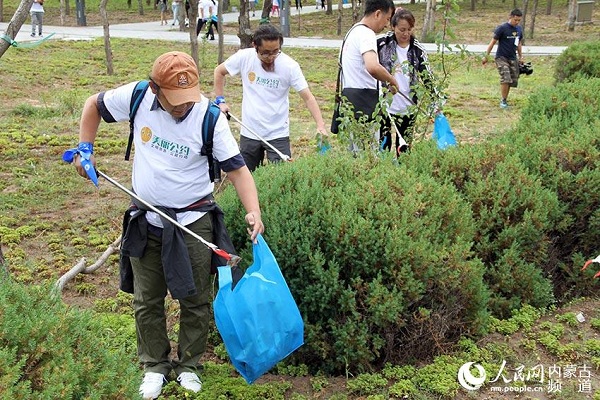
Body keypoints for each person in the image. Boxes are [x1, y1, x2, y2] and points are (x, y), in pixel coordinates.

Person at [70, 51, 264, 399]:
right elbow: (92, 105)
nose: (182, 107)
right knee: (147, 298)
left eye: (187, 99)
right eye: (174, 100)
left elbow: (237, 170)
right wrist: (86, 147)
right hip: (146, 220)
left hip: (193, 222)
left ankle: (189, 365)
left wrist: (254, 211)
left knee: (195, 299)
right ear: (155, 89)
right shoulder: (137, 96)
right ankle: (154, 365)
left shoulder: (209, 116)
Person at [213, 24, 328, 172]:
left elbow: (308, 97)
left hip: (277, 133)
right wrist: (220, 100)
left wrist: (320, 125)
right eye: (265, 53)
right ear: (255, 46)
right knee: (246, 176)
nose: (271, 57)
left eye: (275, 52)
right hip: (250, 131)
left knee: (281, 178)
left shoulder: (289, 66)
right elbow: (219, 71)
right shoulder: (244, 57)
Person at [333, 0, 398, 145]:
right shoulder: (366, 34)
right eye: (387, 19)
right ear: (378, 14)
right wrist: (391, 80)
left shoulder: (352, 32)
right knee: (367, 157)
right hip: (365, 106)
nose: (387, 25)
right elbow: (372, 66)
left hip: (349, 103)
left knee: (354, 156)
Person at [377, 8, 441, 155]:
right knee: (383, 144)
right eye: (402, 29)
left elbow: (428, 77)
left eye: (409, 30)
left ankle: (403, 173)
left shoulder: (417, 50)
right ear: (393, 27)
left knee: (404, 147)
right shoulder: (381, 44)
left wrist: (436, 101)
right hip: (384, 105)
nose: (406, 34)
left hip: (407, 105)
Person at [482, 8, 524, 109]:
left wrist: (521, 56)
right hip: (501, 57)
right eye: (515, 20)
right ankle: (503, 101)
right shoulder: (502, 28)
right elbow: (492, 42)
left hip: (512, 57)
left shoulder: (519, 29)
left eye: (519, 20)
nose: (517, 22)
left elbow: (518, 43)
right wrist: (486, 56)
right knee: (505, 77)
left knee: (512, 80)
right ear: (510, 17)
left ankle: (505, 98)